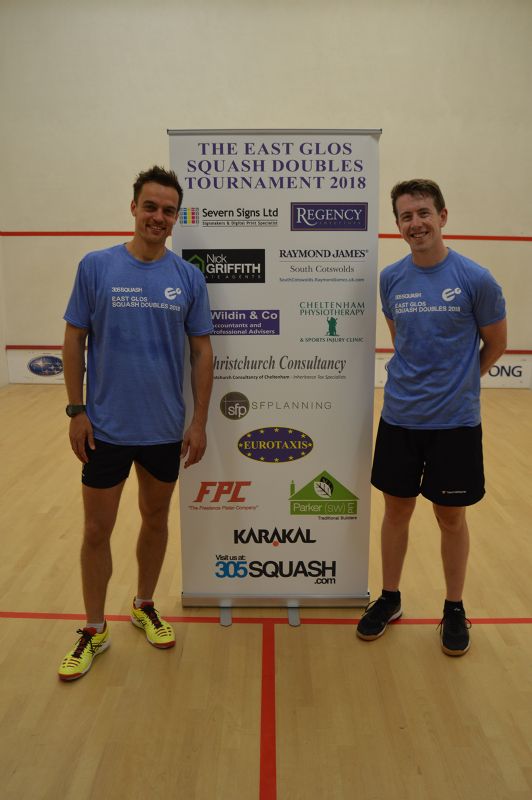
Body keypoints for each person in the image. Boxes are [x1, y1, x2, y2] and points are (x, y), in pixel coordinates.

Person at [58, 166, 214, 681]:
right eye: (150, 206)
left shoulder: (188, 277)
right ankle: (94, 627)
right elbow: (75, 338)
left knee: (155, 520)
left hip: (164, 429)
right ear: (133, 208)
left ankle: (144, 604)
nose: (158, 217)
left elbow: (201, 351)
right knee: (97, 529)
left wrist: (199, 423)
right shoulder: (96, 267)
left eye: (168, 210)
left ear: (176, 217)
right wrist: (76, 410)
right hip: (104, 428)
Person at [357, 179, 506, 656]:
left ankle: (454, 607)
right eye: (405, 216)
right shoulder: (392, 279)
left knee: (450, 518)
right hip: (401, 417)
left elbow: (496, 343)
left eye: (423, 213)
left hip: (456, 425)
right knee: (396, 511)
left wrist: (463, 383)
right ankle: (391, 597)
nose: (415, 223)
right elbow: (403, 338)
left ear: (443, 216)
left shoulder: (475, 279)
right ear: (398, 225)